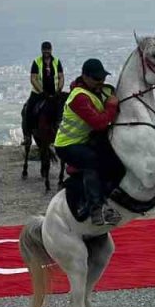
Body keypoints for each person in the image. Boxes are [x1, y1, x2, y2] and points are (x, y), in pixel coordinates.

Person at [55, 59, 122, 226]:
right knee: (91, 161)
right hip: (67, 145)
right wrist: (111, 107)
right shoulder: (79, 97)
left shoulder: (100, 91)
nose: (101, 82)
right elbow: (99, 123)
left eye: (102, 78)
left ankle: (109, 199)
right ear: (85, 77)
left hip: (85, 140)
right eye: (97, 79)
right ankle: (95, 208)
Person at [22, 41, 64, 144]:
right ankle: (27, 135)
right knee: (28, 109)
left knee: (63, 109)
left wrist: (59, 89)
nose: (46, 51)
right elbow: (33, 78)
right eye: (44, 49)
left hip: (54, 93)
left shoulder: (57, 62)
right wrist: (42, 92)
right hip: (38, 93)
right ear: (42, 50)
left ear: (51, 50)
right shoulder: (37, 62)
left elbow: (61, 76)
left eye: (48, 49)